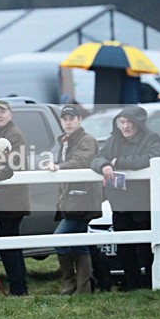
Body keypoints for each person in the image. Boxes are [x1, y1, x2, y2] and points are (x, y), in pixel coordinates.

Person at [91, 106, 160, 291]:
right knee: (124, 247)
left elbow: (150, 158)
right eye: (122, 122)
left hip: (143, 203)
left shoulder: (152, 138)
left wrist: (119, 162)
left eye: (129, 122)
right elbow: (97, 158)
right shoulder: (112, 140)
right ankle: (132, 285)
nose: (125, 126)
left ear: (138, 124)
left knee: (146, 248)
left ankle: (150, 285)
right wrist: (104, 165)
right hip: (119, 203)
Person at [49, 105, 103, 295]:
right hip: (71, 200)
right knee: (80, 245)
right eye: (65, 119)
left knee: (60, 239)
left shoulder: (87, 140)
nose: (68, 122)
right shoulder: (66, 141)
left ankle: (70, 283)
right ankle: (83, 287)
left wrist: (59, 166)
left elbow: (82, 161)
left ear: (79, 120)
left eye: (71, 118)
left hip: (82, 200)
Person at [0, 100, 30, 296]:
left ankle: (18, 288)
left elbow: (13, 161)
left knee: (8, 244)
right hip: (2, 199)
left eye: (2, 112)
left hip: (12, 198)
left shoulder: (13, 135)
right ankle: (19, 286)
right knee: (10, 242)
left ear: (10, 114)